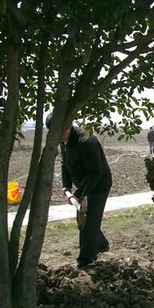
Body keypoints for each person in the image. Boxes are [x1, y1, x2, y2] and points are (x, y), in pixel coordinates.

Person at [47, 114, 113, 270]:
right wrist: (67, 187)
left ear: (68, 126)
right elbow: (65, 164)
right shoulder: (64, 141)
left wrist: (79, 193)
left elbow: (96, 172)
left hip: (98, 186)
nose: (57, 137)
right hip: (83, 185)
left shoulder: (88, 141)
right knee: (88, 220)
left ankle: (85, 261)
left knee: (87, 223)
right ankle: (102, 244)